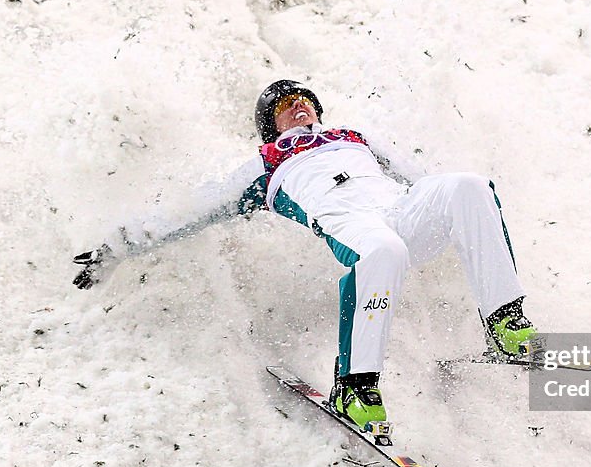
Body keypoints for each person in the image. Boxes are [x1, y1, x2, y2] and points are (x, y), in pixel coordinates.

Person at [72, 79, 536, 431]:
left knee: (469, 186)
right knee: (384, 252)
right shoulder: (264, 166)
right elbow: (189, 212)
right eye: (283, 105)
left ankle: (507, 324)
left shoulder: (355, 136)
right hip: (356, 227)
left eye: (304, 100)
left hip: (400, 208)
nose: (298, 105)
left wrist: (462, 218)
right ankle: (354, 390)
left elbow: (424, 181)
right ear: (269, 125)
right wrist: (116, 248)